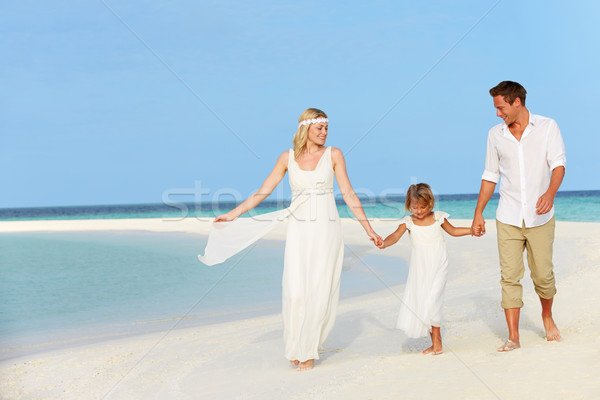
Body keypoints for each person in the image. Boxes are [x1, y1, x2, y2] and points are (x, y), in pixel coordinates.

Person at [199, 108, 382, 371]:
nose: (324, 132)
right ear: (305, 128)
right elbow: (264, 190)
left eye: (326, 128)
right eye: (319, 127)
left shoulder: (334, 154)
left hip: (326, 228)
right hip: (298, 229)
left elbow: (350, 194)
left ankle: (308, 351)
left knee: (320, 288)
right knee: (295, 291)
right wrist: (233, 214)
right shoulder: (287, 157)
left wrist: (368, 229)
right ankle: (295, 345)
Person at [471, 81, 566, 352]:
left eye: (500, 107)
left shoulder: (548, 127)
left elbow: (558, 164)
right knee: (509, 277)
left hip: (540, 217)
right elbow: (490, 175)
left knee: (543, 276)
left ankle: (546, 316)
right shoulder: (495, 135)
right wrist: (478, 212)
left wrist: (550, 193)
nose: (498, 113)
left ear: (517, 102)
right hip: (508, 215)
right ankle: (513, 337)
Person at [376, 183, 471, 355]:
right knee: (425, 303)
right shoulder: (408, 222)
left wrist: (472, 230)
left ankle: (437, 344)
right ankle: (436, 344)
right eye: (414, 207)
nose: (419, 211)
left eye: (423, 207)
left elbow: (454, 230)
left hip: (439, 264)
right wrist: (384, 243)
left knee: (433, 301)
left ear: (430, 204)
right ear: (408, 205)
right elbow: (395, 237)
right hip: (420, 269)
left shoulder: (438, 218)